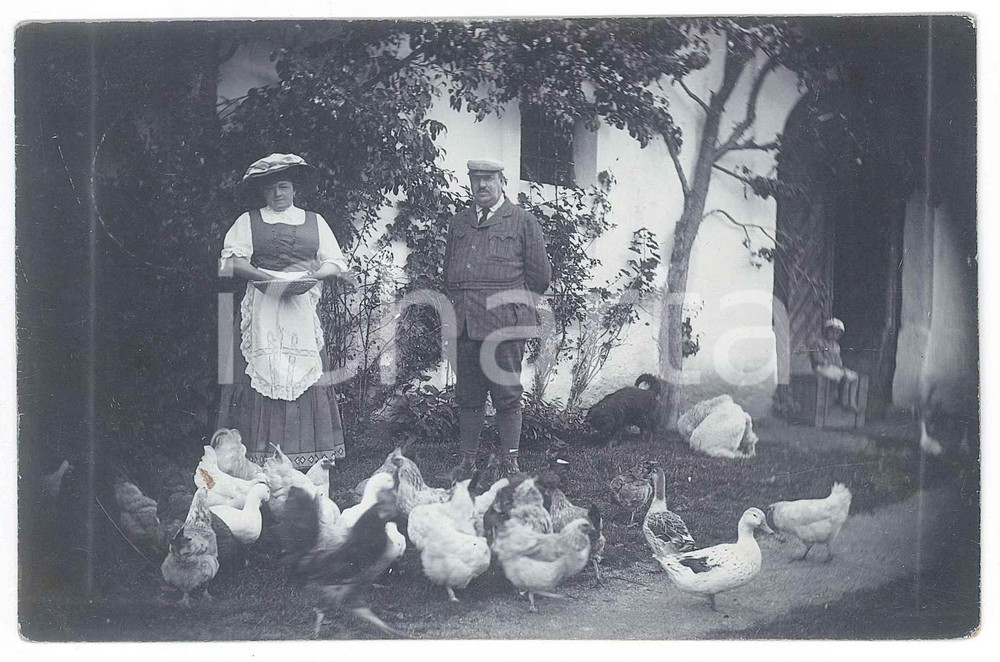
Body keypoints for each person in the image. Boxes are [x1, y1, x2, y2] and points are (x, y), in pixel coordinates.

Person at [217, 153, 350, 466]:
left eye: (284, 187)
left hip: (300, 307)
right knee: (260, 372)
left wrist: (310, 276)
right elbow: (233, 261)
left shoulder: (315, 221)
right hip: (262, 305)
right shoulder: (248, 221)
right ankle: (254, 459)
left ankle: (307, 458)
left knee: (303, 372)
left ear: (294, 189)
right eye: (271, 189)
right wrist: (266, 278)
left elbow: (334, 262)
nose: (278, 194)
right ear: (263, 192)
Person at [443, 159, 552, 480]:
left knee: (506, 396)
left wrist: (512, 307)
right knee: (469, 396)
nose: (482, 186)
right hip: (465, 323)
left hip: (504, 325)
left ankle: (511, 463)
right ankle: (467, 463)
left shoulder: (522, 222)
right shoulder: (459, 223)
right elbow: (449, 272)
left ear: (503, 182)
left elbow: (540, 277)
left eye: (489, 179)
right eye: (476, 180)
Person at [810, 318, 860, 412]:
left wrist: (841, 366)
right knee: (842, 376)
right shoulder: (818, 342)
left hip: (834, 368)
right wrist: (830, 363)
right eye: (832, 331)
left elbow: (838, 361)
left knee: (854, 377)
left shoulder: (836, 346)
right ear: (826, 330)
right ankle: (841, 401)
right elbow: (817, 358)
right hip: (821, 368)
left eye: (837, 333)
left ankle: (852, 402)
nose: (834, 334)